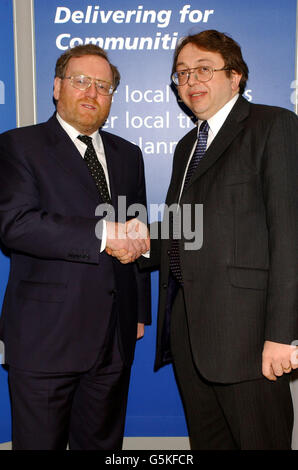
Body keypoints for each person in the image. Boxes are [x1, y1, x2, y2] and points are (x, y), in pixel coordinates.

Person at [111, 29, 298, 449]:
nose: (191, 81)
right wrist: (133, 243)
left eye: (204, 69)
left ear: (236, 77)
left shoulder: (273, 126)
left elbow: (290, 235)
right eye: (182, 73)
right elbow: (186, 229)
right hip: (191, 334)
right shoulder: (186, 147)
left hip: (250, 340)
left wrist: (282, 335)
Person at [0, 44, 151, 450]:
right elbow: (15, 224)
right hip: (44, 339)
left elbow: (135, 230)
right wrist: (105, 234)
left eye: (103, 86)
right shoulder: (19, 146)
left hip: (113, 339)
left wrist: (137, 311)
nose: (91, 93)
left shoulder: (128, 155)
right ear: (56, 87)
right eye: (80, 81)